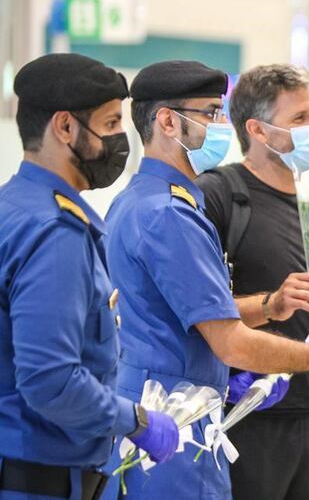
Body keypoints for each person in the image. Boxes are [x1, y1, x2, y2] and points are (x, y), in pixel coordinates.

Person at [100, 60, 309, 500]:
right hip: (174, 430)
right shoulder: (170, 215)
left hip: (170, 417)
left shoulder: (148, 201)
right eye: (211, 113)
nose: (221, 125)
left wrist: (270, 307)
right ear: (167, 122)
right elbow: (231, 341)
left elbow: (194, 310)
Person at [0, 54, 179, 500]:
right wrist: (135, 421)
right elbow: (51, 380)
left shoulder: (14, 206)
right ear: (65, 127)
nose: (121, 139)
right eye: (111, 123)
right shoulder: (54, 232)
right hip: (41, 476)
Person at [196, 63, 309, 500]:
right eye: (299, 118)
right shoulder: (219, 196)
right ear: (258, 129)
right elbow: (192, 308)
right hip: (243, 421)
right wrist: (269, 304)